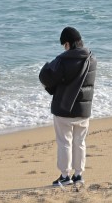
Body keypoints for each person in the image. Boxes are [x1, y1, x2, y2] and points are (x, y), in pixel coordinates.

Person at [39, 26, 97, 188]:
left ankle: (65, 176)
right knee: (80, 142)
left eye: (64, 44)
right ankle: (78, 175)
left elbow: (48, 77)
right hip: (84, 111)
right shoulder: (91, 59)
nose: (64, 48)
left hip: (64, 109)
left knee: (65, 142)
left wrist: (45, 68)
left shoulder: (63, 60)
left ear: (69, 43)